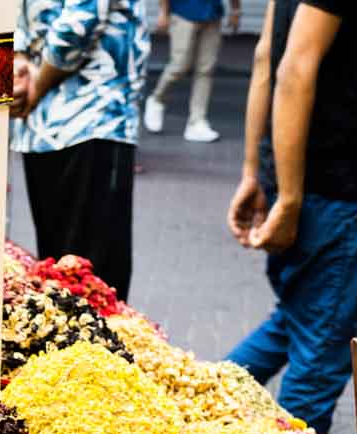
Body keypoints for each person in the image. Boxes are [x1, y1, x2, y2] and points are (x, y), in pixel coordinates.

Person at [224, 0, 357, 434]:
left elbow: (268, 55)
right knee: (318, 357)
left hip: (303, 180)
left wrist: (255, 171)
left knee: (296, 321)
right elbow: (292, 67)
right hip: (331, 188)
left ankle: (198, 409)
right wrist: (289, 198)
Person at [13, 0, 150, 294]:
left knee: (84, 281)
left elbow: (83, 18)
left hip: (88, 117)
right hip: (61, 120)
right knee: (67, 279)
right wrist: (20, 62)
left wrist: (31, 75)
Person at [143, 0, 243, 142]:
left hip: (212, 14)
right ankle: (157, 99)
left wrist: (235, 11)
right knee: (179, 65)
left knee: (206, 69)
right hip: (184, 12)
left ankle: (197, 122)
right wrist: (163, 13)